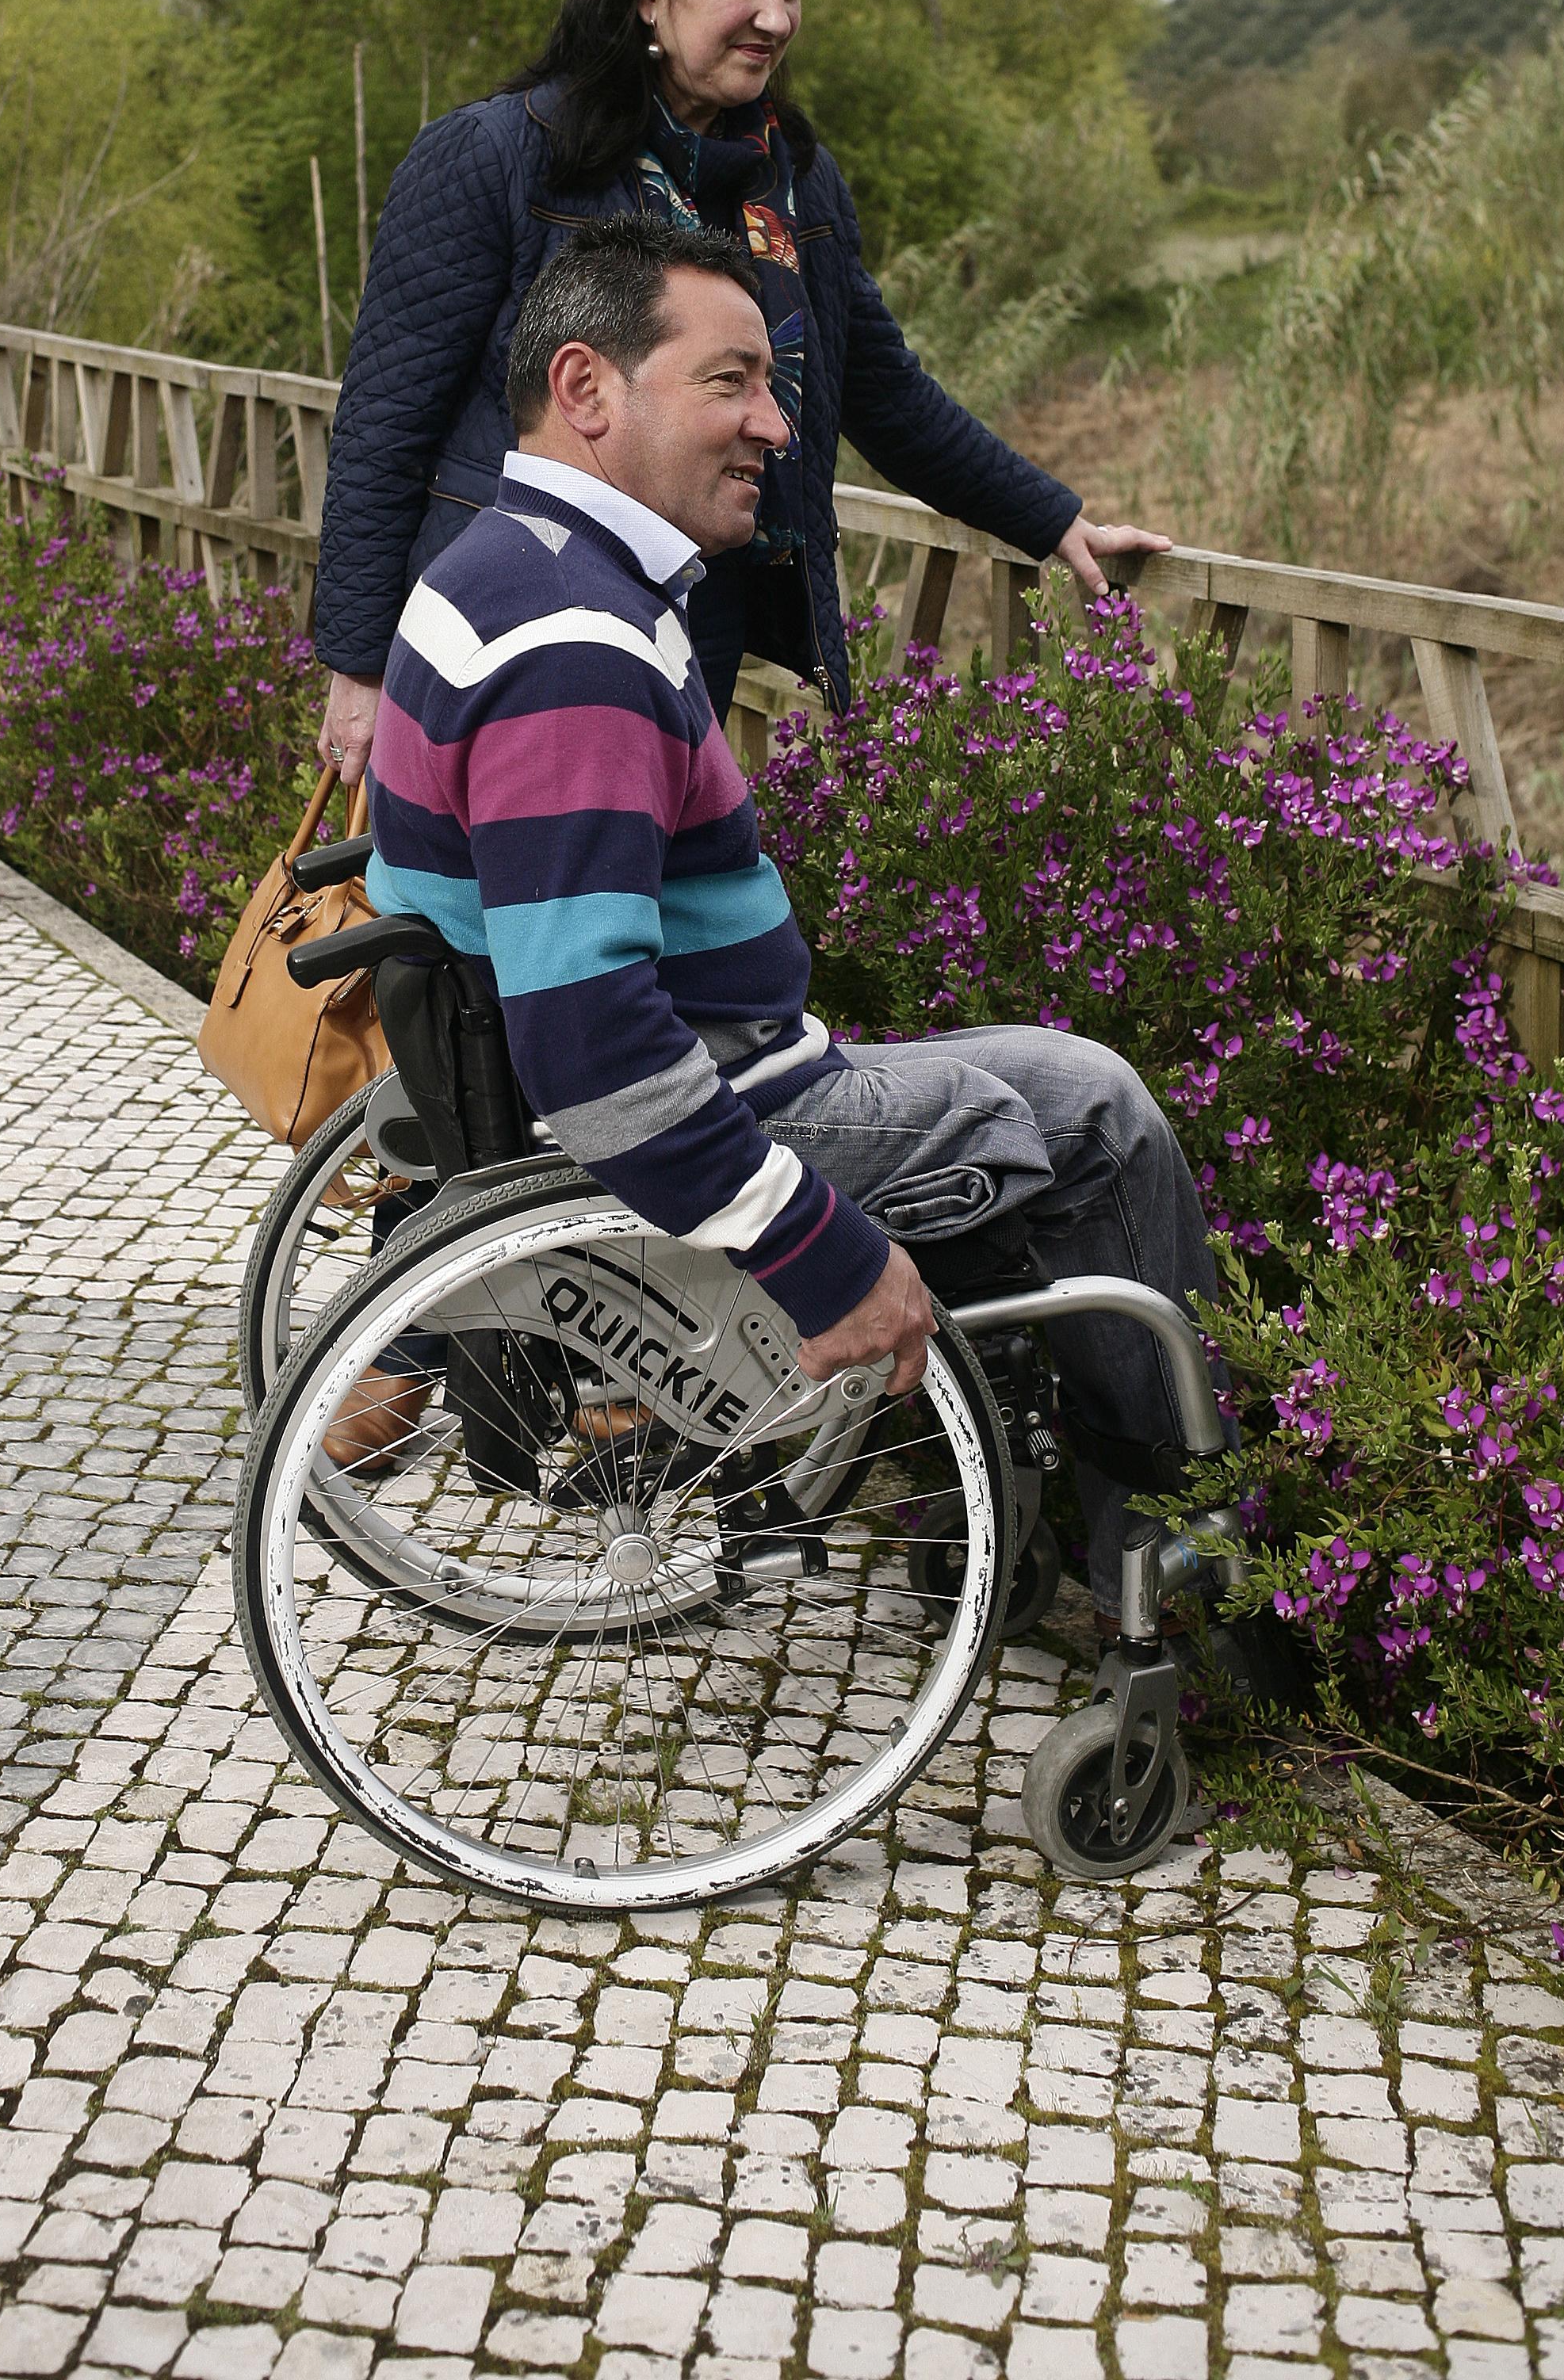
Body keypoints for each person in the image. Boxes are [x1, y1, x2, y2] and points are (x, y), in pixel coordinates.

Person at [355, 213, 1214, 1614]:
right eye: (731, 381)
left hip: (680, 1064)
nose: (773, 424)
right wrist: (822, 1256)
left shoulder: (499, 564)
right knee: (1097, 1118)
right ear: (587, 390)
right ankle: (1172, 1565)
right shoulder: (573, 646)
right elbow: (596, 1053)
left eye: (773, 387)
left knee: (1053, 1073)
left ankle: (1011, 1512)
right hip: (708, 1109)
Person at [312, 0, 1168, 782]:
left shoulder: (791, 181)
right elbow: (382, 426)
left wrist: (1053, 522)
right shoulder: (495, 160)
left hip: (691, 627)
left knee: (645, 893)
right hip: (507, 626)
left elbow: (882, 391)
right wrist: (357, 666)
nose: (776, 16)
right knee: (492, 907)